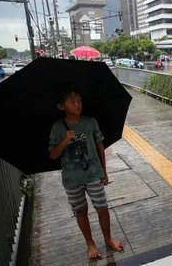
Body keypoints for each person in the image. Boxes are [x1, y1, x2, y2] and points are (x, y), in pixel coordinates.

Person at [48, 88, 123, 260]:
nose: (78, 104)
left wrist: (104, 171)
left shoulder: (90, 122)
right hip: (72, 179)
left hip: (93, 174)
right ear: (61, 106)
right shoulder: (58, 128)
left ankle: (108, 238)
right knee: (81, 211)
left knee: (102, 208)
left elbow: (99, 147)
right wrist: (65, 141)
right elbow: (52, 154)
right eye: (72, 101)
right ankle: (90, 243)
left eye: (79, 100)